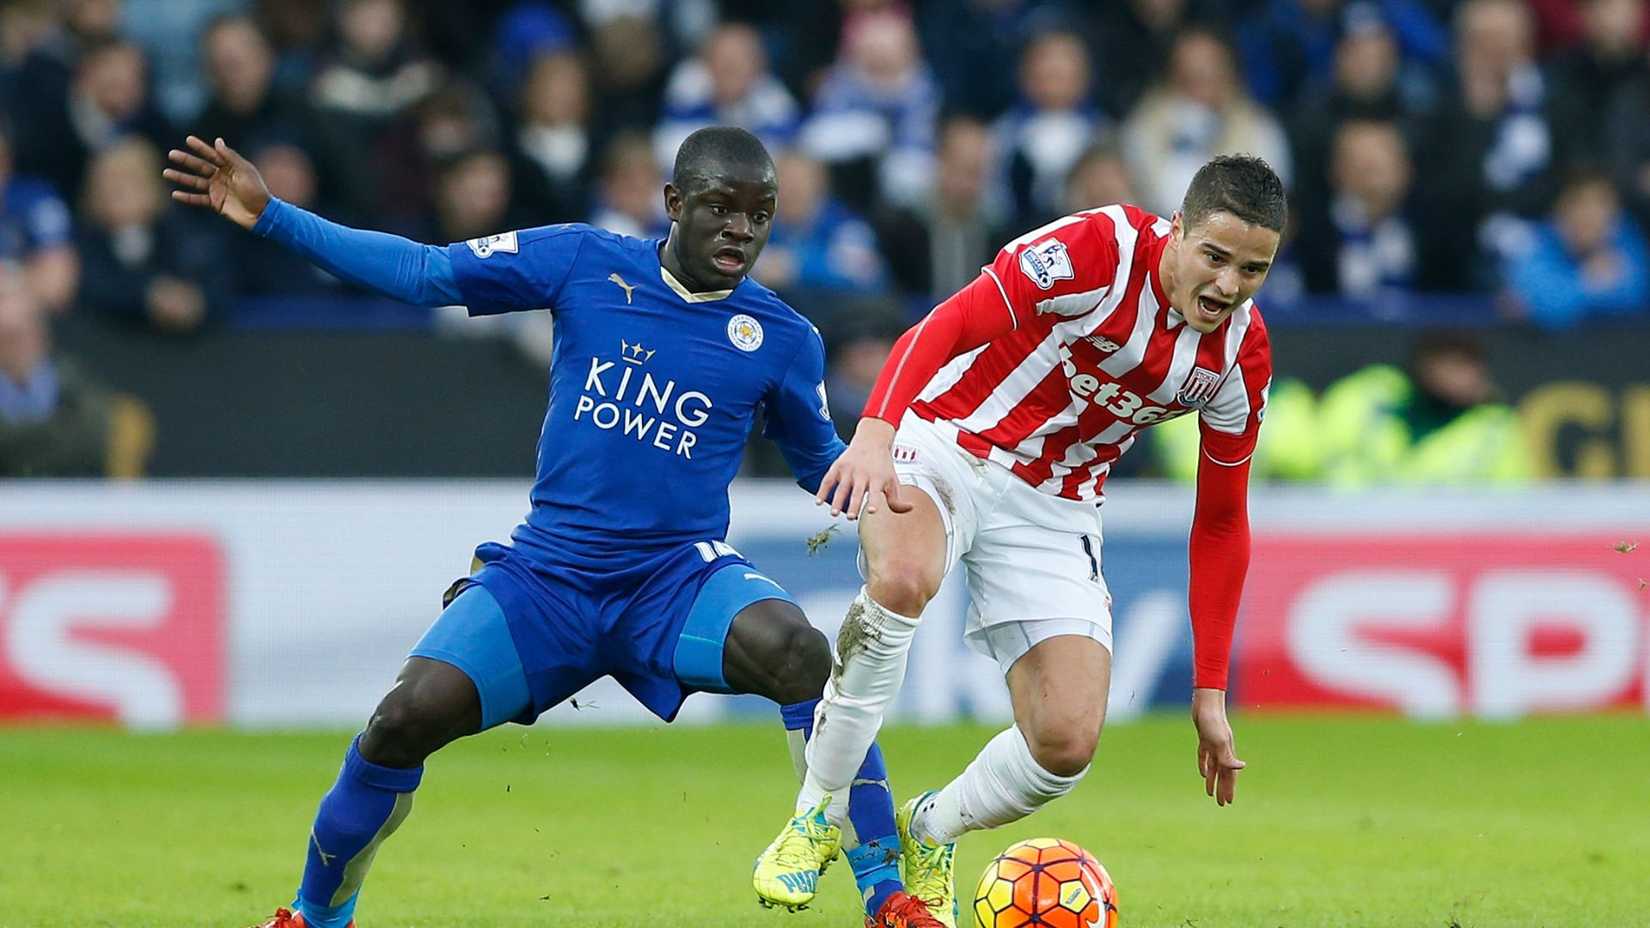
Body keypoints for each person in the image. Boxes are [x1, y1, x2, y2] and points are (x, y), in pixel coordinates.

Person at [164, 126, 940, 928]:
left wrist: (901, 490)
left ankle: (888, 898)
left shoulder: (783, 338)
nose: (741, 230)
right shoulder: (582, 260)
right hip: (548, 580)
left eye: (760, 214)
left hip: (675, 582)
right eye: (720, 208)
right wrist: (273, 217)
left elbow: (825, 464)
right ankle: (315, 917)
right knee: (401, 722)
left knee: (800, 652)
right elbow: (425, 273)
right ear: (672, 204)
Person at [753, 155, 1282, 925]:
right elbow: (948, 324)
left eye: (1254, 270)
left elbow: (1224, 520)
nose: (1229, 285)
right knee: (901, 580)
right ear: (1177, 231)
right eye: (1216, 257)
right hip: (946, 441)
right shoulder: (1097, 250)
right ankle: (813, 817)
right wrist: (874, 429)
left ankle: (929, 829)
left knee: (1066, 741)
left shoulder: (1240, 356)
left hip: (1055, 503)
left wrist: (1209, 691)